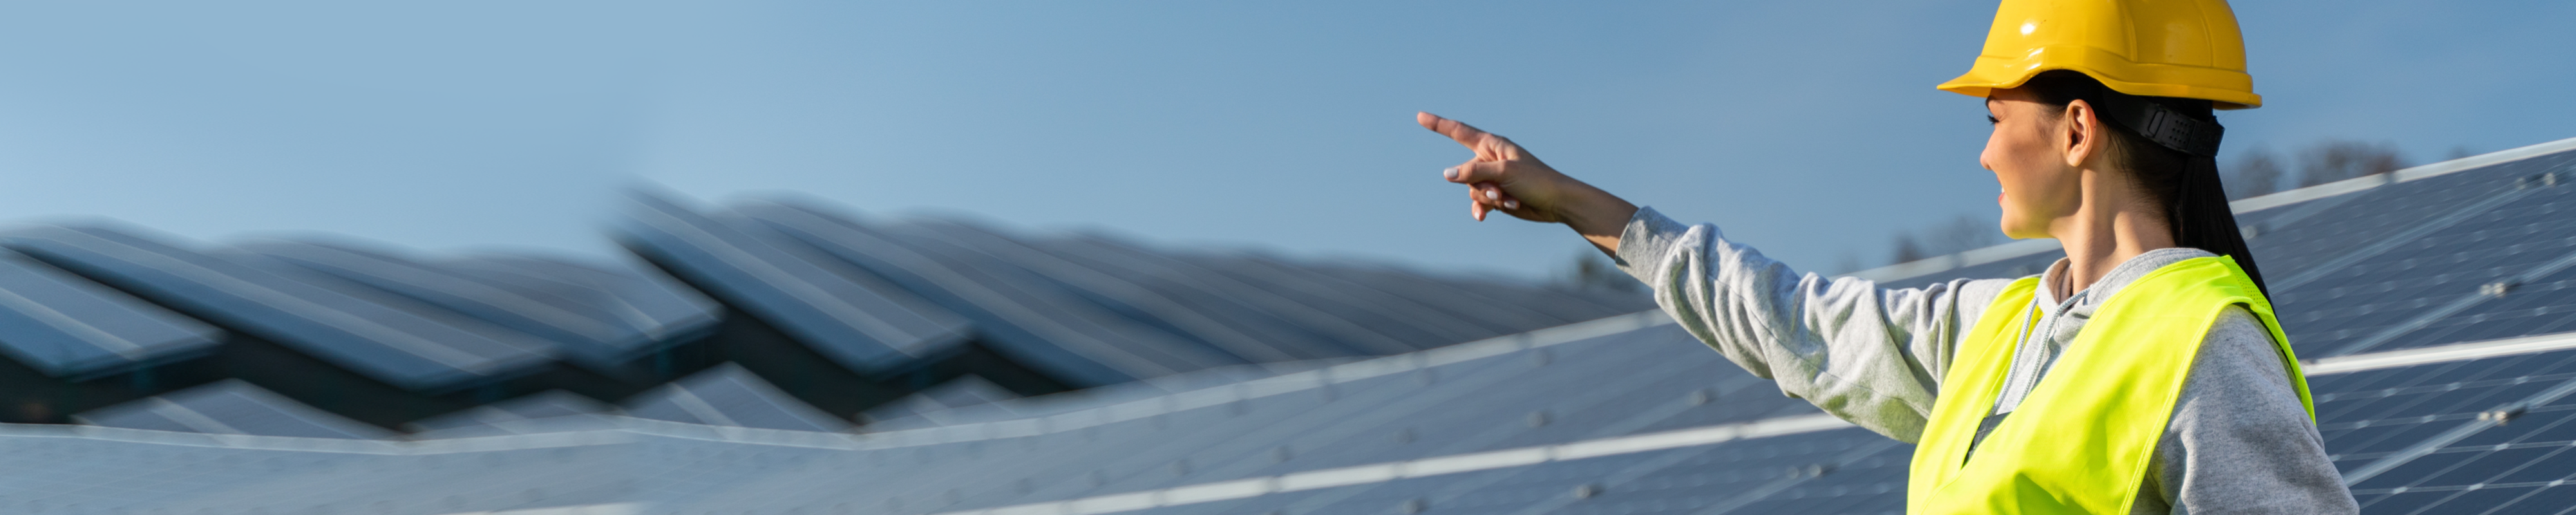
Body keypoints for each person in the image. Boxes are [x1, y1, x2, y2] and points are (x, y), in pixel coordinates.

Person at [1418, 0, 2358, 513]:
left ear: (2078, 129)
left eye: (1996, 119)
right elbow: (1791, 320)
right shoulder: (1998, 335)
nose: (1985, 151)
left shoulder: (2202, 347)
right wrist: (1584, 205)